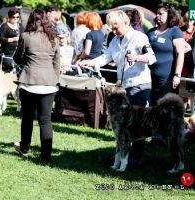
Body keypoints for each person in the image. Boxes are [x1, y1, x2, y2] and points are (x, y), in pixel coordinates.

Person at [79, 10, 156, 166]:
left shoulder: (139, 37)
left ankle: (135, 158)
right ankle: (119, 158)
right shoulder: (115, 40)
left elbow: (152, 58)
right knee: (121, 126)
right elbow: (107, 56)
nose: (114, 32)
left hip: (139, 85)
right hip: (124, 87)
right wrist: (91, 62)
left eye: (116, 28)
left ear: (126, 22)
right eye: (111, 29)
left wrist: (137, 57)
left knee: (137, 124)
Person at [13, 9, 60, 163]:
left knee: (27, 117)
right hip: (49, 84)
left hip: (29, 82)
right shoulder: (54, 38)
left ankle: (24, 148)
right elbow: (57, 63)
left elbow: (18, 58)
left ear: (31, 20)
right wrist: (54, 79)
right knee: (45, 120)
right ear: (46, 20)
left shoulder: (26, 37)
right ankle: (45, 157)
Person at [147, 3, 185, 107]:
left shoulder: (175, 31)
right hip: (149, 77)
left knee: (165, 110)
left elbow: (180, 54)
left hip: (167, 79)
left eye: (161, 14)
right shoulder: (150, 32)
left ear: (170, 15)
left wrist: (177, 75)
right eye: (157, 13)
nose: (157, 16)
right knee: (151, 110)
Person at [0, 7, 24, 72]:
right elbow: (1, 39)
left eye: (17, 17)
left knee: (15, 77)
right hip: (6, 55)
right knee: (6, 74)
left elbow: (24, 37)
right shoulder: (5, 26)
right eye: (13, 17)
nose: (15, 19)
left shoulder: (20, 26)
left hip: (17, 55)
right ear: (9, 17)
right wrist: (12, 39)